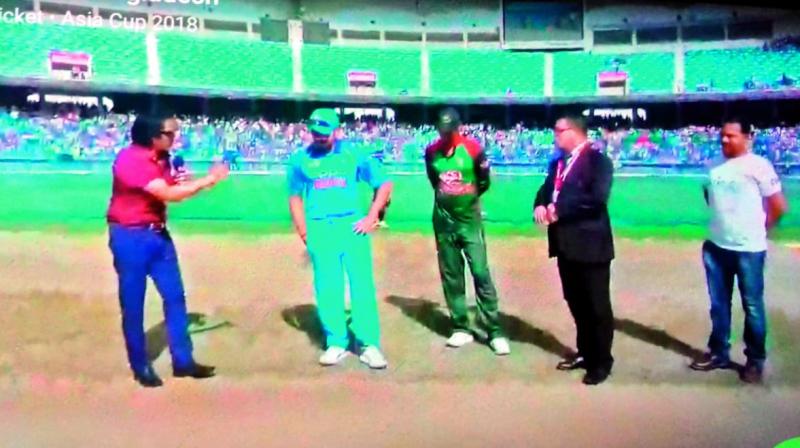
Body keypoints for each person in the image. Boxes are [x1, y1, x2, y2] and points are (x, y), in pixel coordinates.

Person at [107, 114, 229, 388]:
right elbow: (167, 195)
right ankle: (141, 365)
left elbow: (172, 188)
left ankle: (183, 361)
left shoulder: (162, 158)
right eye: (170, 133)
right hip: (130, 236)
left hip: (157, 234)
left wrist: (182, 181)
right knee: (133, 304)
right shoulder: (130, 160)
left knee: (175, 297)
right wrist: (208, 180)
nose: (176, 138)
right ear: (153, 136)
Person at [287, 108, 393, 369]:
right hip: (320, 228)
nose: (319, 137)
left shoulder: (353, 154)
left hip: (351, 227)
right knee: (327, 286)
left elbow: (384, 183)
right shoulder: (301, 159)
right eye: (315, 133)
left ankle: (369, 345)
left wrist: (372, 217)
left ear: (337, 131)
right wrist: (304, 231)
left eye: (324, 133)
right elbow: (294, 196)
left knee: (361, 285)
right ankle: (337, 342)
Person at [690, 118, 788, 384]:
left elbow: (778, 206)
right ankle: (718, 352)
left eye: (731, 136)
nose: (724, 140)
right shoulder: (713, 166)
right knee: (719, 305)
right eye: (722, 135)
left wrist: (760, 230)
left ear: (747, 138)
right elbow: (709, 196)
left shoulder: (758, 165)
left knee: (752, 306)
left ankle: (755, 360)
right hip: (715, 246)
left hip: (748, 249)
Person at [533, 116, 615, 386]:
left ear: (575, 132)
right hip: (565, 245)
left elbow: (596, 199)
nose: (554, 134)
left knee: (597, 306)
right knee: (576, 302)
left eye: (559, 130)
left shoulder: (597, 161)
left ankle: (601, 361)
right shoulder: (557, 163)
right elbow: (547, 190)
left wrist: (559, 210)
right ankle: (585, 352)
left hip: (591, 245)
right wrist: (540, 205)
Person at [424, 108, 510, 356]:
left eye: (449, 131)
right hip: (443, 221)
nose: (445, 135)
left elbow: (483, 182)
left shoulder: (472, 150)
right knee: (451, 274)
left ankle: (494, 330)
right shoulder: (431, 152)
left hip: (469, 221)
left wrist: (467, 198)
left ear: (458, 128)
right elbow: (434, 181)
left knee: (481, 272)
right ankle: (460, 326)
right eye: (442, 131)